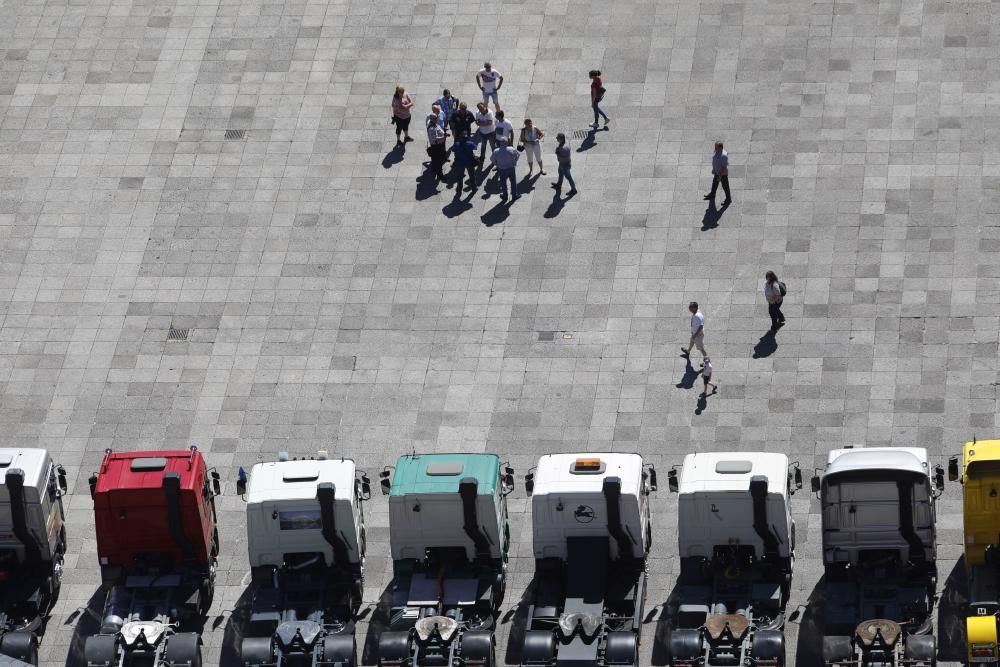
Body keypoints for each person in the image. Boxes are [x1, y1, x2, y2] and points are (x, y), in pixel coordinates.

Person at [426, 113, 448, 181]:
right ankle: (440, 176)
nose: (437, 119)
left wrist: (443, 133)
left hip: (437, 145)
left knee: (435, 159)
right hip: (436, 146)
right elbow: (434, 139)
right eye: (435, 118)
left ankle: (434, 169)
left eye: (437, 118)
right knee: (439, 161)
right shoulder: (432, 128)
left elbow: (438, 129)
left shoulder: (434, 123)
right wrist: (443, 137)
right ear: (431, 119)